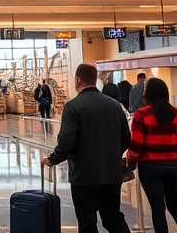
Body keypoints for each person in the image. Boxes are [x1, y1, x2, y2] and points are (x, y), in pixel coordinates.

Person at [42, 64, 131, 233]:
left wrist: (53, 159)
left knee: (87, 222)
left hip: (84, 176)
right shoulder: (114, 105)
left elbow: (67, 141)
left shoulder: (73, 106)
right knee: (113, 218)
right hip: (112, 175)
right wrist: (112, 155)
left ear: (78, 79)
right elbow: (126, 137)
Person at [125, 78, 177, 233]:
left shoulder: (141, 114)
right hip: (173, 167)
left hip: (150, 168)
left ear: (148, 94)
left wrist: (129, 163)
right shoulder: (175, 113)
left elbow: (136, 143)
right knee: (175, 206)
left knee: (158, 209)